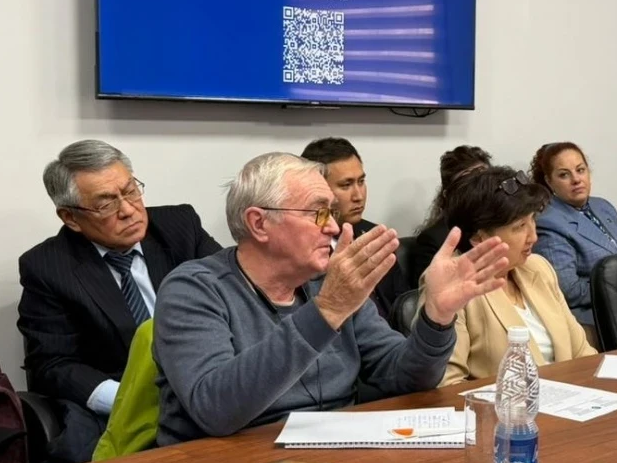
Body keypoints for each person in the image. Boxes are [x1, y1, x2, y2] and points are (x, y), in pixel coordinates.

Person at [152, 152, 509, 445]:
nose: (334, 227)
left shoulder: (328, 282)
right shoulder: (193, 289)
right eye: (318, 213)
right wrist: (327, 311)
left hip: (331, 456)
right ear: (259, 223)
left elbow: (407, 377)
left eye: (332, 214)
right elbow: (215, 410)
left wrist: (436, 317)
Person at [17, 140, 222, 463]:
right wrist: (128, 399)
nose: (128, 210)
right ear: (70, 217)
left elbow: (232, 296)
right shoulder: (47, 267)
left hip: (207, 381)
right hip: (122, 398)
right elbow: (52, 364)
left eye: (131, 191)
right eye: (106, 204)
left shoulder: (180, 227)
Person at [438, 167, 597, 385]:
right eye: (520, 226)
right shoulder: (453, 288)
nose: (533, 236)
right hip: (506, 405)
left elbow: (582, 353)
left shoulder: (538, 267)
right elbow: (448, 384)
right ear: (479, 238)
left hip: (570, 396)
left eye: (532, 220)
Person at [531, 142, 617, 346]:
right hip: (592, 320)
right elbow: (569, 291)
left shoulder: (604, 206)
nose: (576, 180)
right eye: (564, 175)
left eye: (580, 170)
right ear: (549, 182)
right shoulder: (549, 222)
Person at [300, 137, 408, 317]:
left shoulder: (375, 236)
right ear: (318, 188)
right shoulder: (304, 246)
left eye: (361, 181)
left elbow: (403, 307)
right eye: (346, 185)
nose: (358, 196)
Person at [411, 145, 492, 282]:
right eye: (469, 186)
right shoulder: (433, 241)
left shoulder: (503, 227)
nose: (480, 193)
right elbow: (426, 291)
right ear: (448, 195)